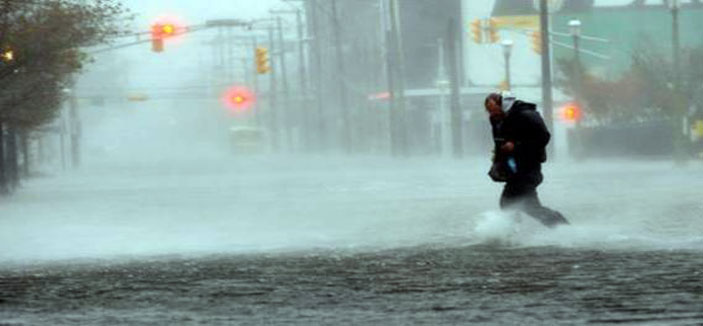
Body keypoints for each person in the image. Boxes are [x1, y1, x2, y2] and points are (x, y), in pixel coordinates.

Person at [484, 92, 569, 228]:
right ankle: (559, 228)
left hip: (529, 168)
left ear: (504, 105)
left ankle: (562, 228)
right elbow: (500, 143)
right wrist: (497, 163)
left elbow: (543, 137)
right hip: (514, 169)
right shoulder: (496, 119)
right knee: (517, 205)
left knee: (513, 204)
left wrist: (516, 145)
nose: (492, 114)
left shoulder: (527, 115)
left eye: (494, 110)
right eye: (489, 110)